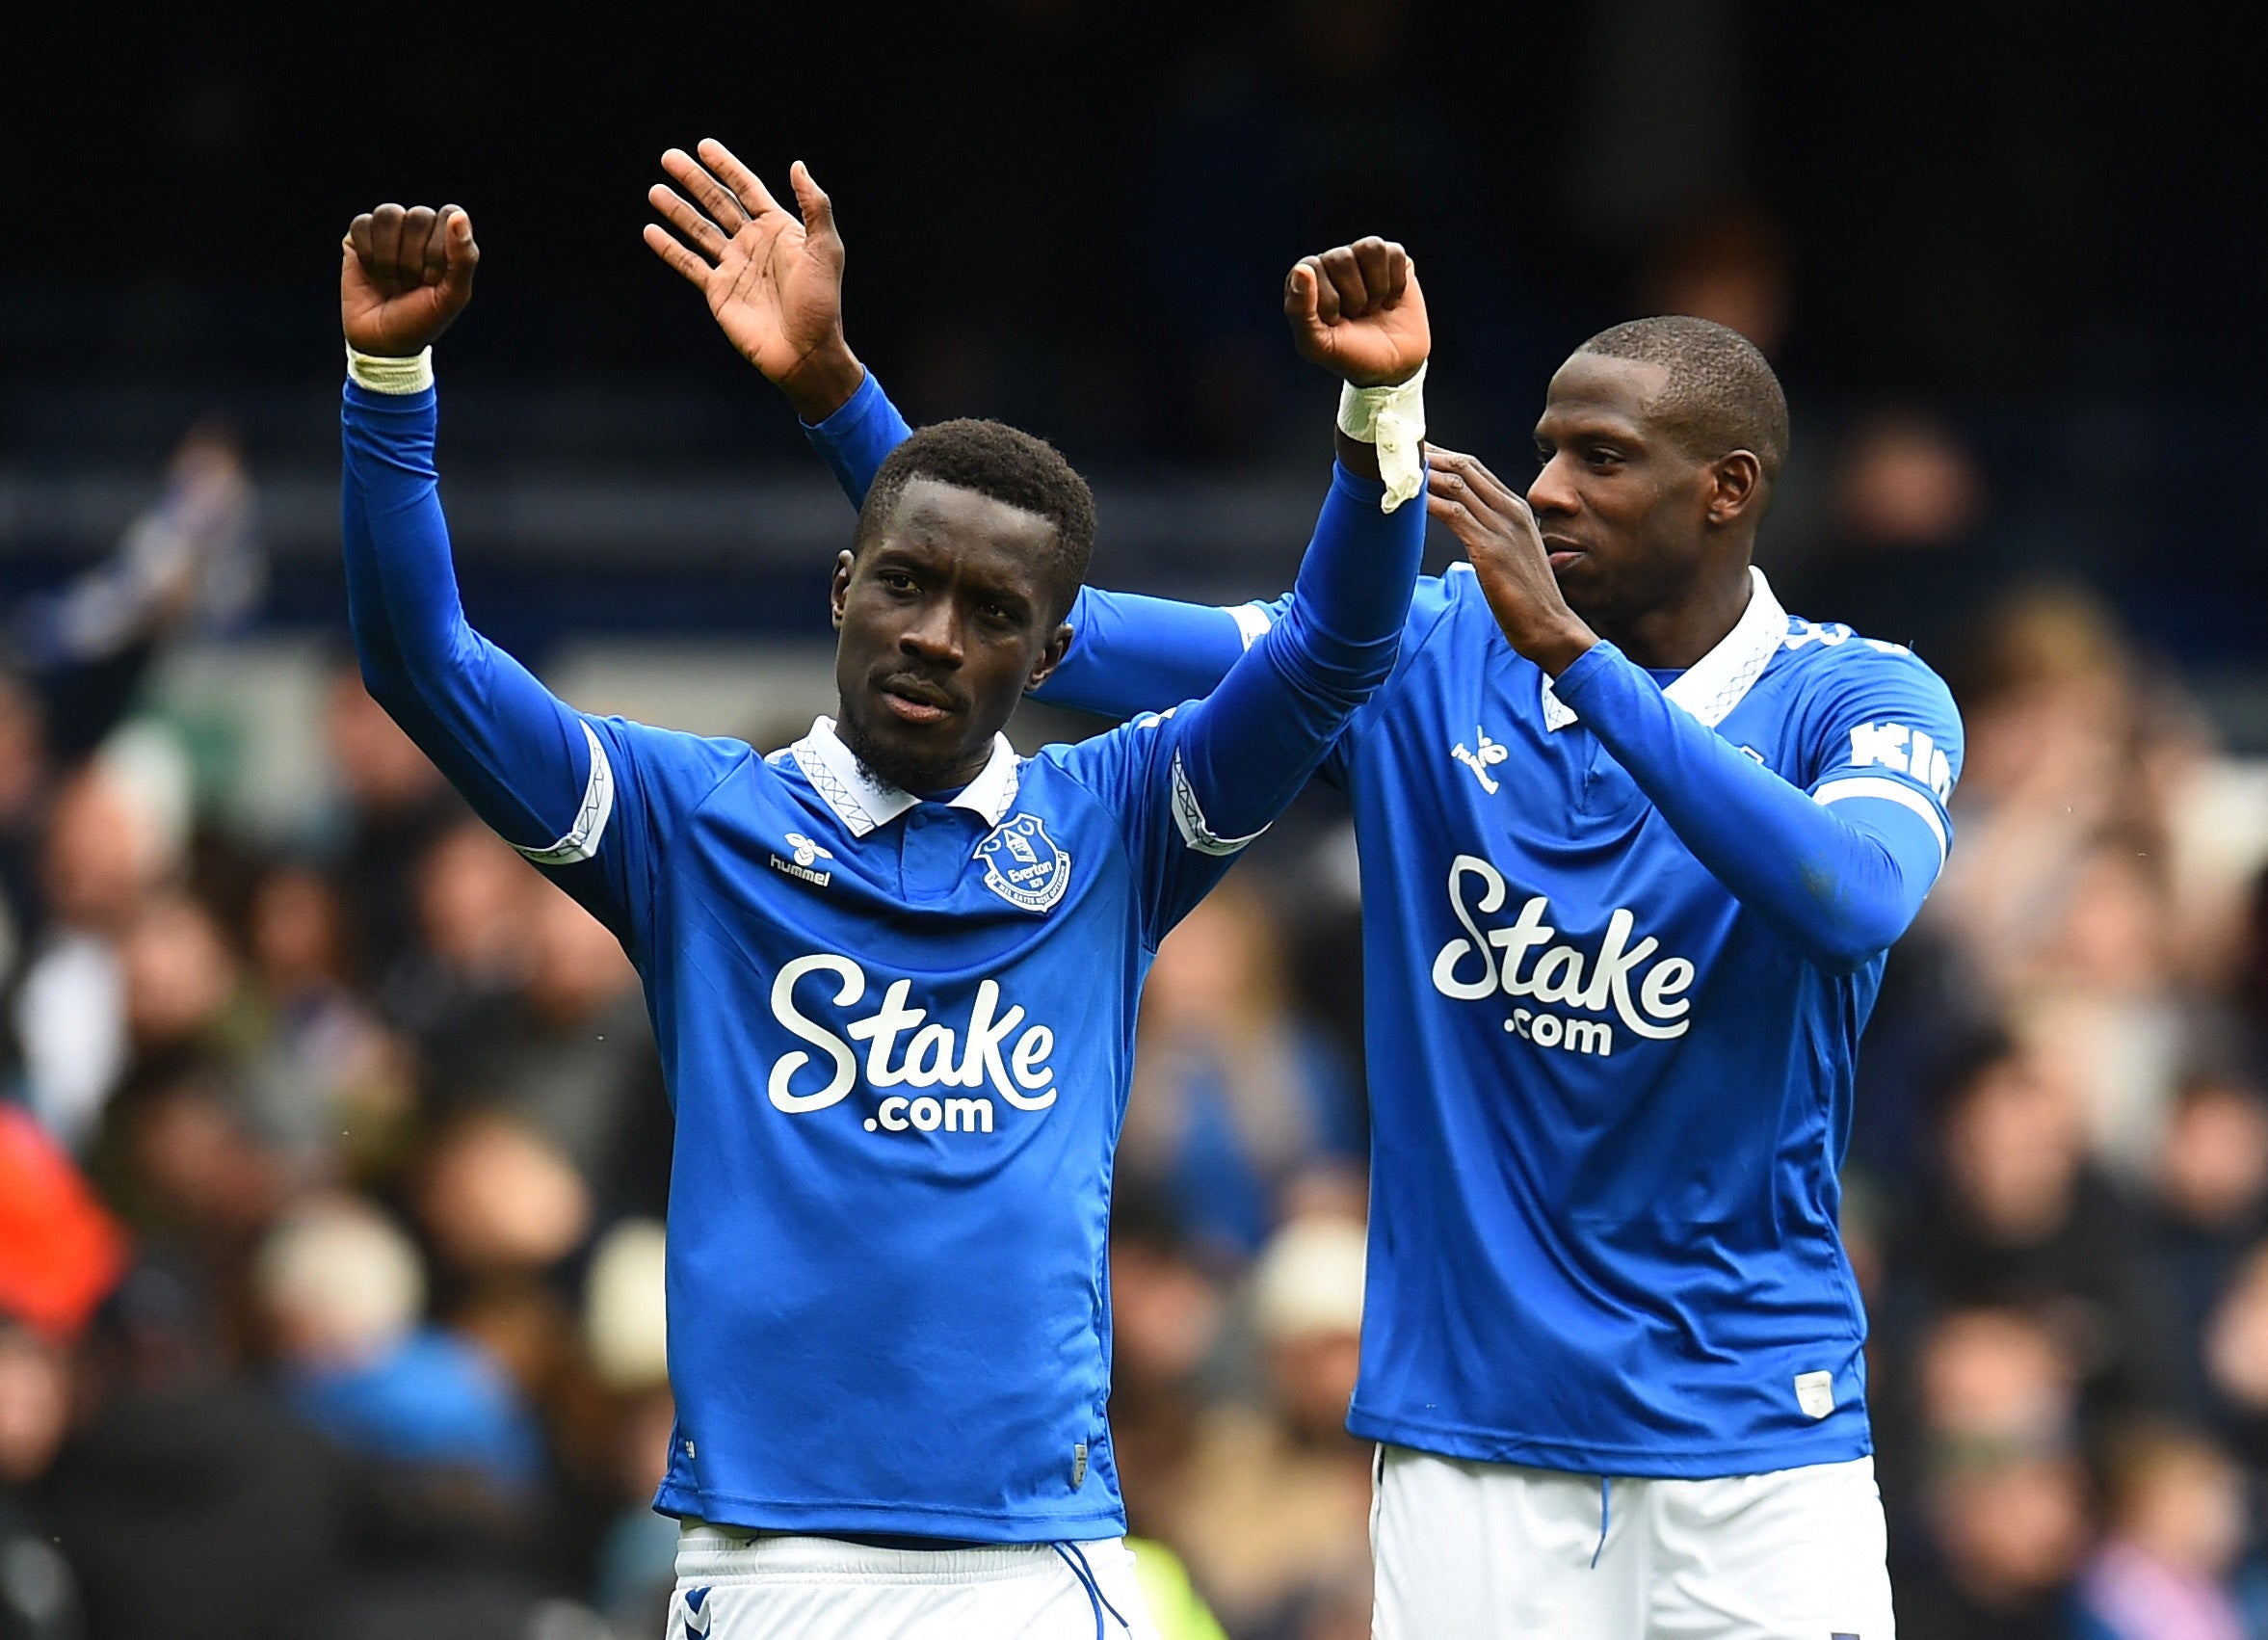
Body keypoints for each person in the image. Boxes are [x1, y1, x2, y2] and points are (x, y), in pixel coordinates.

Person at [678, 136, 1965, 1635]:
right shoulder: (1423, 652)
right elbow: (1067, 633)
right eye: (1544, 445)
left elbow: (1859, 895)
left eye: (1599, 460)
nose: (1544, 487)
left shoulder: (1859, 698)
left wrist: (1579, 665)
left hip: (1759, 1436)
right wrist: (838, 392)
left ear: (1726, 491)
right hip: (1471, 1438)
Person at [343, 171, 1431, 1636]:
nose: (933, 634)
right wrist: (389, 376)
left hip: (1032, 1559)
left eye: (991, 616)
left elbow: (1333, 651)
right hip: (769, 1556)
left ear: (1047, 658)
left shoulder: (1113, 825)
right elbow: (424, 661)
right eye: (906, 584)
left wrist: (1378, 420)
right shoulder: (691, 823)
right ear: (842, 584)